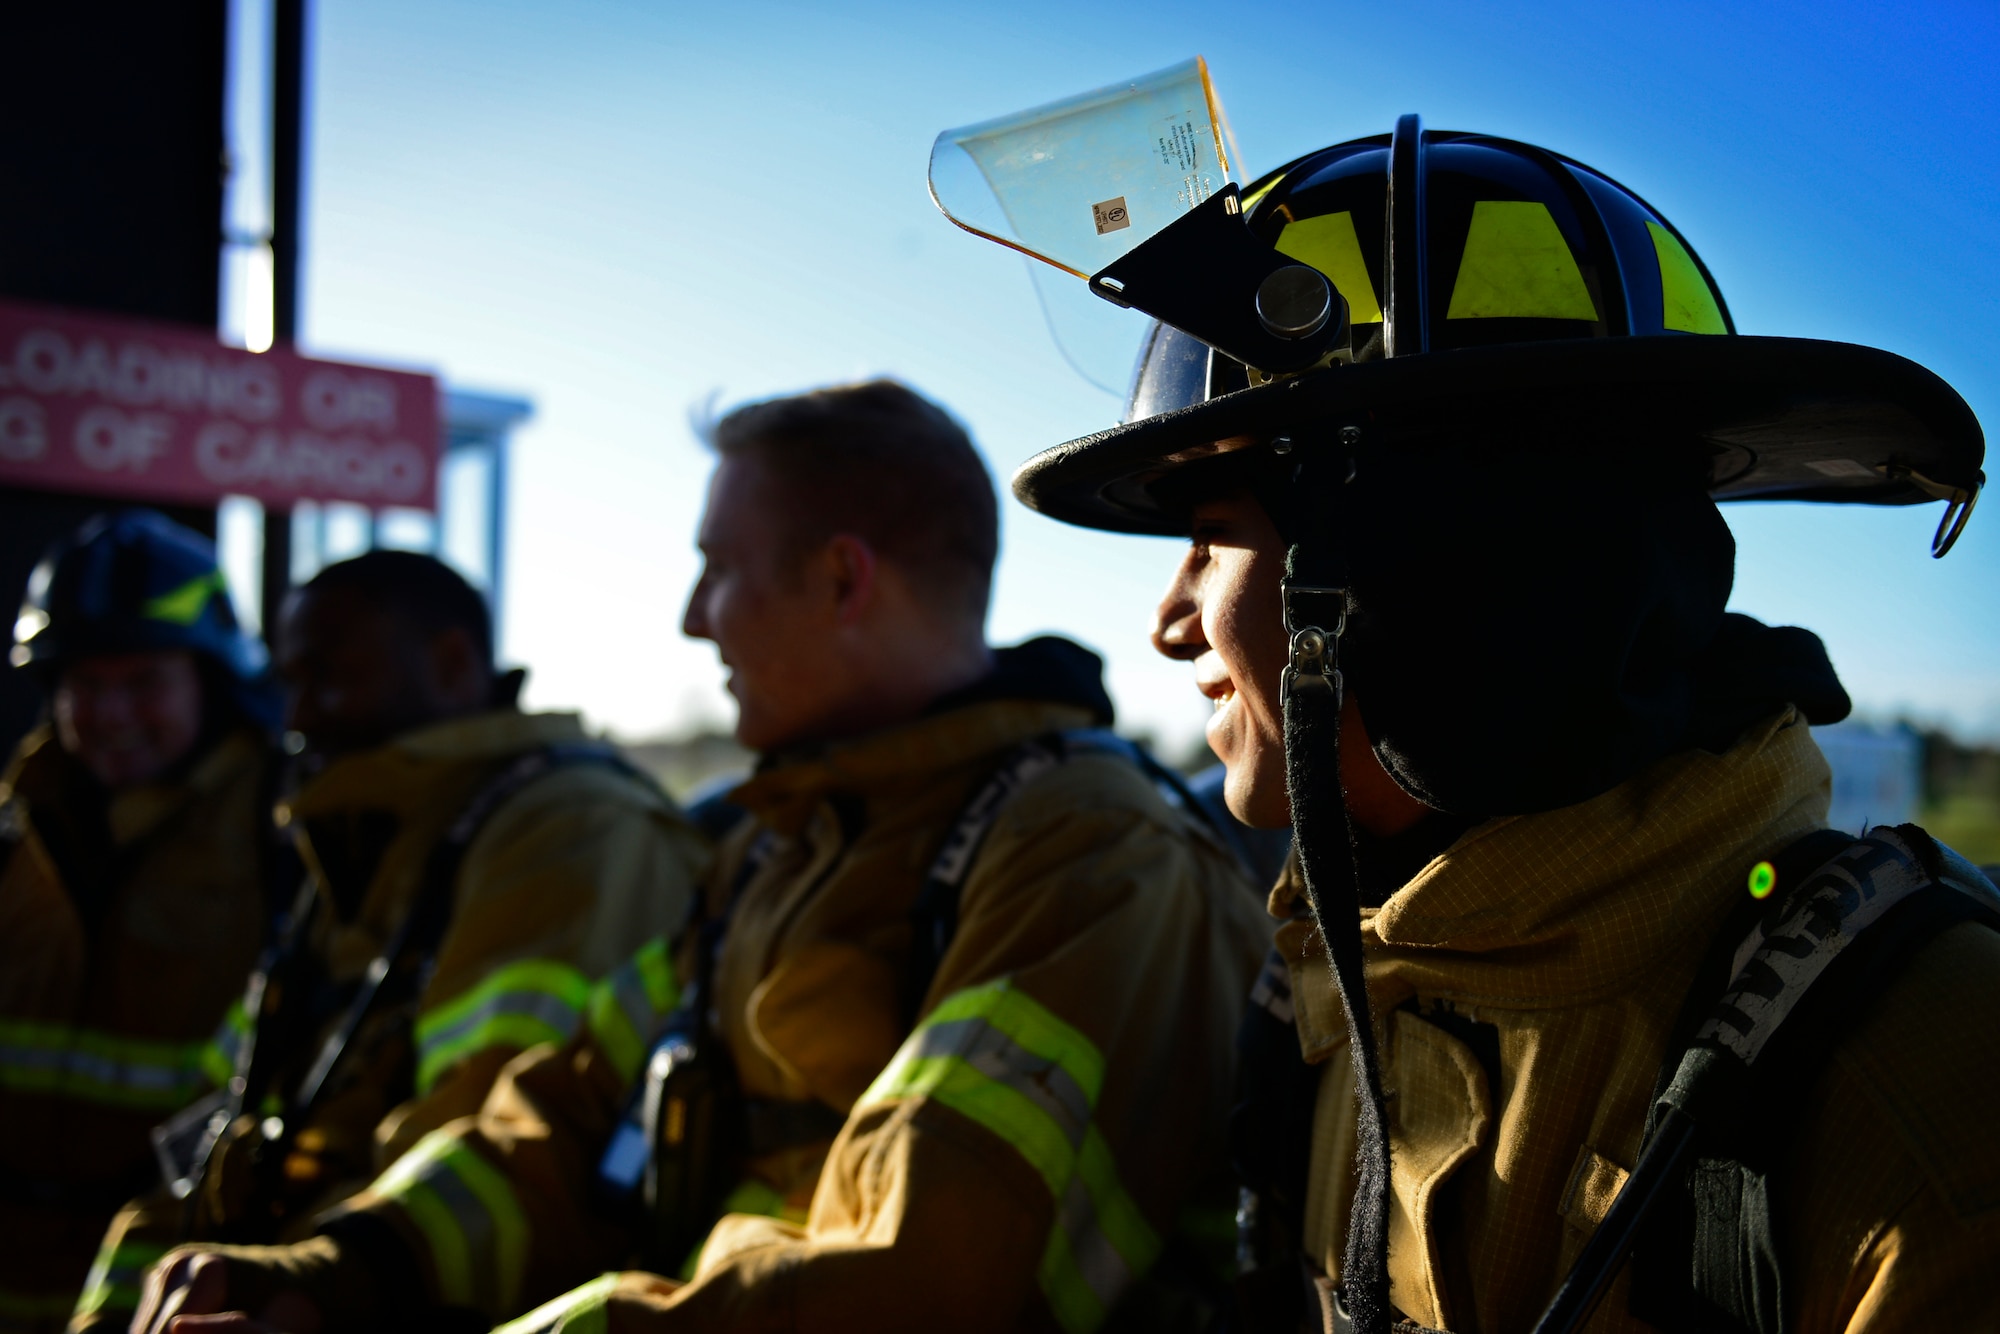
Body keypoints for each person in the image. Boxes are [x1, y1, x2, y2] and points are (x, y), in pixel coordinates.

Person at [989, 116, 1999, 1330]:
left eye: (1209, 537)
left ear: (1403, 567)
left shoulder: (1935, 1083)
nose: (1166, 620)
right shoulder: (1340, 984)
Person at [130, 379, 1270, 1333]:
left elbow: (917, 1282)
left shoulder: (1089, 852)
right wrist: (332, 1275)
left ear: (840, 579)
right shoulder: (770, 853)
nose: (690, 616)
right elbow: (563, 1127)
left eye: (716, 566)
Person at [76, 550, 708, 1331]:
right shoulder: (361, 839)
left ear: (450, 664)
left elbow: (486, 1165)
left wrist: (299, 1291)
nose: (298, 714)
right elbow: (212, 1138)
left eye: (327, 673)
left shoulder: (574, 834)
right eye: (289, 681)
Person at [0, 511, 284, 1333]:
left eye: (144, 683)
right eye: (85, 685)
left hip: (159, 1292)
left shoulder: (287, 842)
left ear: (214, 677)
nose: (111, 713)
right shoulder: (14, 836)